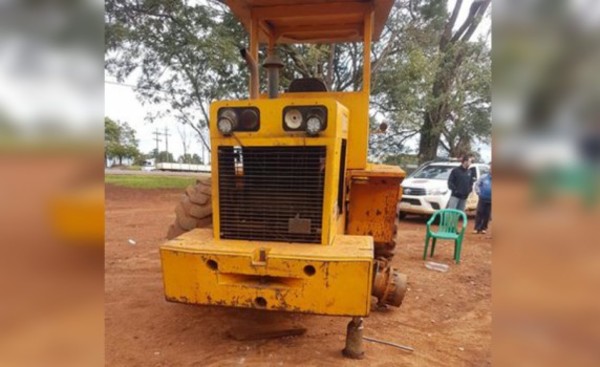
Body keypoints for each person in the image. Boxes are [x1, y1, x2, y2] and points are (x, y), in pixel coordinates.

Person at [473, 165, 492, 234]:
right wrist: (478, 192)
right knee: (479, 212)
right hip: (482, 198)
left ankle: (484, 228)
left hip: (491, 200)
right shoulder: (483, 177)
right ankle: (476, 228)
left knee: (487, 214)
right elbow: (477, 185)